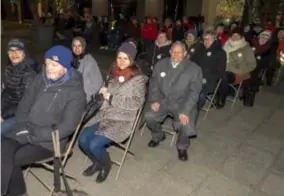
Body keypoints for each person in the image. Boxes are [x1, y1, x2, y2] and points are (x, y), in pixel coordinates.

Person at [1, 45, 86, 196]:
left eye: (54, 65)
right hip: (25, 129)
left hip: (48, 142)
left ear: (65, 67)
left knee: (10, 160)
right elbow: (24, 105)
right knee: (2, 150)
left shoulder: (76, 92)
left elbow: (67, 127)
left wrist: (33, 133)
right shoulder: (39, 79)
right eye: (47, 64)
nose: (49, 69)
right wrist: (21, 126)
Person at [79, 42, 146, 183]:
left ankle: (106, 165)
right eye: (119, 57)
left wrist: (111, 98)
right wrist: (102, 92)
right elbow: (104, 92)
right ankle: (97, 161)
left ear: (132, 60)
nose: (121, 61)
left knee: (94, 144)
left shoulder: (138, 80)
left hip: (122, 120)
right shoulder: (112, 73)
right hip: (104, 114)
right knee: (83, 140)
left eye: (125, 58)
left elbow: (136, 103)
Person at [144, 41, 203, 161]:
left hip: (182, 103)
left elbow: (194, 93)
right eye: (173, 52)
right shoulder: (161, 64)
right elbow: (154, 83)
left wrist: (186, 111)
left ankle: (182, 146)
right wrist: (154, 100)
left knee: (185, 123)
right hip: (162, 100)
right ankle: (158, 136)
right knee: (149, 116)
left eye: (179, 52)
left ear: (185, 53)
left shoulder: (194, 69)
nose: (175, 55)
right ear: (169, 52)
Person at [1, 39, 38, 135]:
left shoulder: (30, 73)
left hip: (23, 114)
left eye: (18, 51)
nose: (14, 54)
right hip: (10, 109)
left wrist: (3, 115)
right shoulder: (9, 70)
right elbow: (6, 93)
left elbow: (25, 103)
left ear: (24, 52)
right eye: (11, 51)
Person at [191, 29, 226, 109]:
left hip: (208, 80)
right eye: (205, 39)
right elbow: (192, 62)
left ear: (215, 39)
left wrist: (205, 77)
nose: (206, 41)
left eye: (209, 39)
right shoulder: (200, 49)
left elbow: (221, 71)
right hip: (195, 76)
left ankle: (195, 110)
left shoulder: (220, 53)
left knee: (200, 93)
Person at [221, 28, 257, 107]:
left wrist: (240, 70)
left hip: (237, 73)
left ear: (241, 37)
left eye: (237, 35)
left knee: (222, 76)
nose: (235, 37)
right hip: (223, 69)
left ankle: (220, 98)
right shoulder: (226, 45)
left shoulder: (246, 48)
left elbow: (252, 65)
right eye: (234, 35)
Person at [72, 37, 103, 102]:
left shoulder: (89, 61)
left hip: (83, 96)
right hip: (71, 93)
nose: (76, 48)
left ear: (83, 47)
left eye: (79, 46)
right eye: (74, 46)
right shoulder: (70, 59)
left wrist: (87, 92)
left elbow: (98, 82)